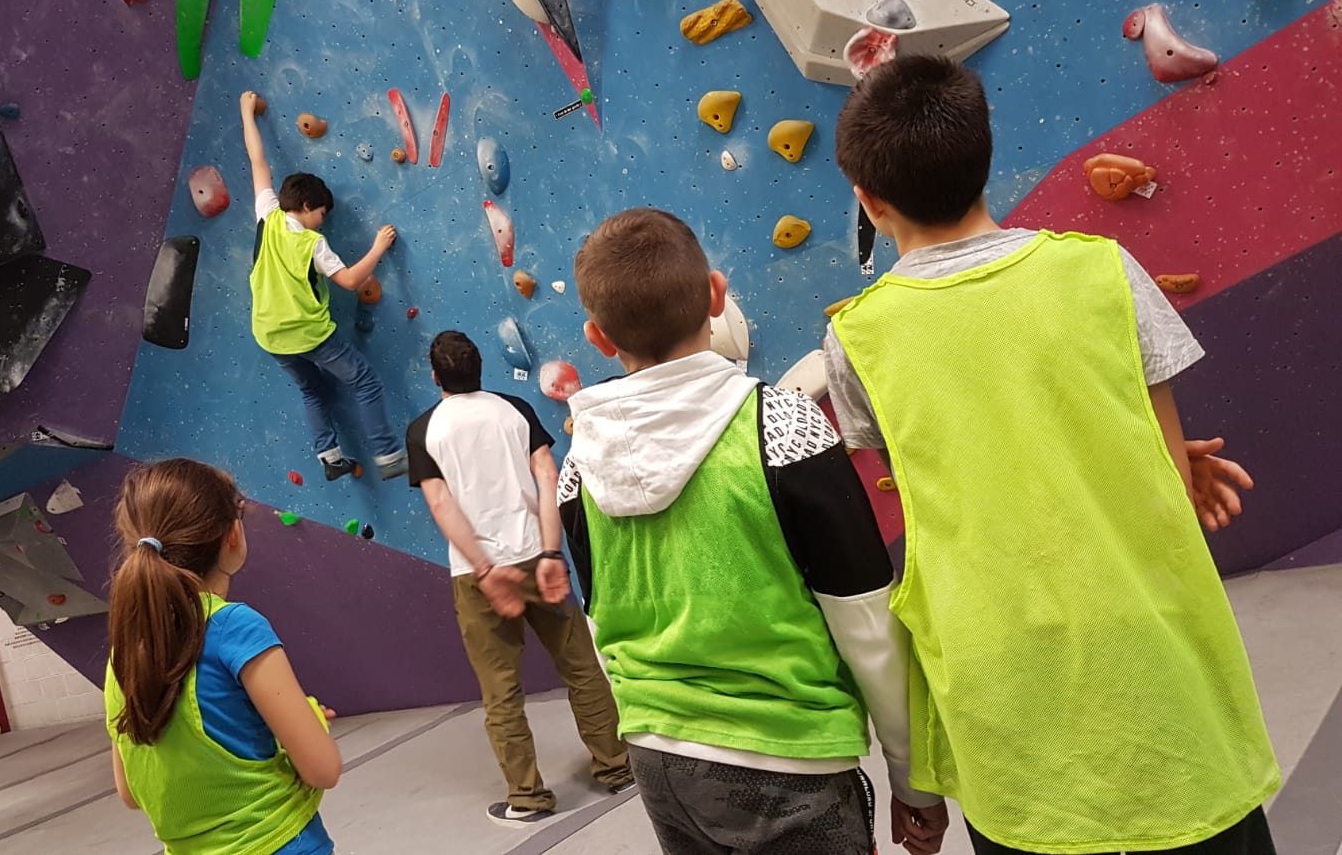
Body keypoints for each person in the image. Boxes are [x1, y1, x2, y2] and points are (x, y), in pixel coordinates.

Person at [823, 54, 1277, 855]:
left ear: (868, 198)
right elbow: (1167, 474)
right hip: (1155, 666)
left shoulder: (857, 338)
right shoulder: (1101, 270)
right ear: (988, 155)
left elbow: (946, 463)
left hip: (1006, 701)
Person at [537, 208, 943, 855]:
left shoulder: (579, 467)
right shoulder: (785, 429)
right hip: (788, 762)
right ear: (716, 296)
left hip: (658, 759)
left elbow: (601, 622)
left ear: (597, 337)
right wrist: (913, 777)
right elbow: (865, 619)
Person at [406, 330, 636, 828]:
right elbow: (548, 475)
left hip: (477, 575)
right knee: (581, 669)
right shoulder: (514, 409)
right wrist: (552, 552)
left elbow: (441, 503)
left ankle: (528, 799)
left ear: (435, 375)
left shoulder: (424, 428)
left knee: (501, 692)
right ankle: (618, 769)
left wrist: (487, 571)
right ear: (479, 366)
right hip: (537, 555)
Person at [104, 458, 341, 854]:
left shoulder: (125, 653)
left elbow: (130, 791)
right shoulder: (234, 627)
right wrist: (310, 719)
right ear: (232, 534)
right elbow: (323, 769)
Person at [240, 90, 408, 480]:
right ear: (308, 207)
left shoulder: (268, 216)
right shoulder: (313, 243)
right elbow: (350, 281)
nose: (322, 220)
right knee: (364, 380)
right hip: (309, 335)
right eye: (321, 213)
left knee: (312, 390)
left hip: (268, 335)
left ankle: (329, 457)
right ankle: (387, 455)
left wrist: (247, 113)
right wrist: (378, 247)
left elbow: (257, 161)